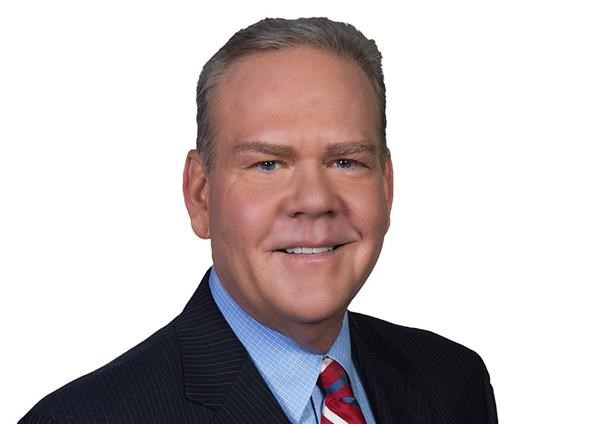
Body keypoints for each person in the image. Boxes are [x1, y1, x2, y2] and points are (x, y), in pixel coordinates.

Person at [20, 17, 497, 424]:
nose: (314, 201)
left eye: (346, 162)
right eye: (268, 164)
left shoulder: (454, 381)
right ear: (200, 195)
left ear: (386, 188)